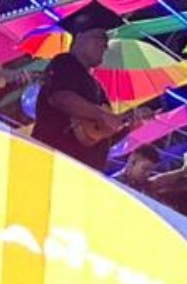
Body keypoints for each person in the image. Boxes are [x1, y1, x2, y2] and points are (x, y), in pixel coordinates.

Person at [32, 2, 124, 173]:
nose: (105, 46)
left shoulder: (97, 85)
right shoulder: (64, 63)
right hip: (54, 162)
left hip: (84, 170)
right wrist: (100, 114)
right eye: (100, 38)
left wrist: (127, 124)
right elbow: (60, 97)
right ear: (80, 36)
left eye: (107, 42)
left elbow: (103, 129)